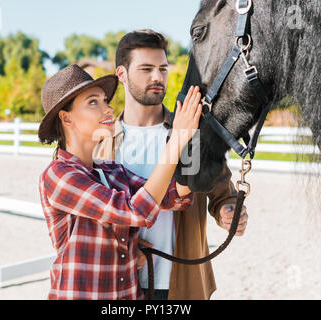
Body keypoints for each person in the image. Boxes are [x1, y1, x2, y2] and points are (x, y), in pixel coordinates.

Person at [94, 29, 249, 300]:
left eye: (162, 69)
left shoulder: (192, 131)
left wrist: (228, 209)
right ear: (121, 74)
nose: (157, 77)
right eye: (146, 69)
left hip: (184, 285)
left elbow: (222, 191)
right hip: (120, 283)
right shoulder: (101, 143)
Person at [38, 64, 203, 300]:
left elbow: (172, 196)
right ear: (67, 118)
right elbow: (136, 211)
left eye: (105, 101)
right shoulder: (59, 175)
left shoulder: (113, 170)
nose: (108, 109)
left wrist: (194, 139)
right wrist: (176, 140)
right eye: (93, 102)